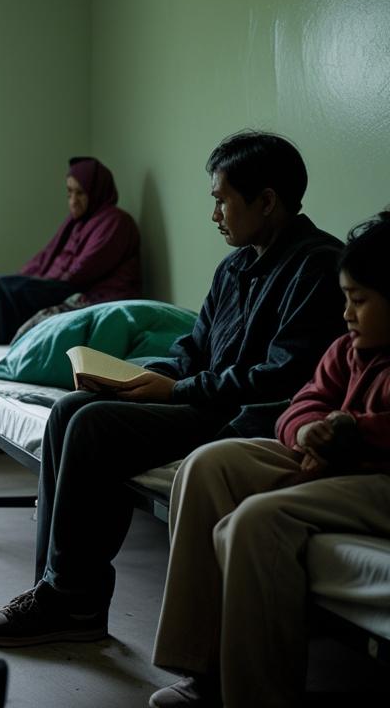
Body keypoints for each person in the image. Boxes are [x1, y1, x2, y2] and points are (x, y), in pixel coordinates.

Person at [0, 131, 346, 647]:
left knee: (95, 426)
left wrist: (178, 390)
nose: (215, 215)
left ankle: (69, 599)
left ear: (268, 201)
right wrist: (134, 375)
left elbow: (282, 377)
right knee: (71, 407)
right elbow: (195, 346)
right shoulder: (235, 266)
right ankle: (61, 595)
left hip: (240, 414)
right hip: (202, 397)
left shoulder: (317, 266)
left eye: (221, 200)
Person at [149, 210, 390, 708]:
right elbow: (303, 402)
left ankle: (255, 694)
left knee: (256, 521)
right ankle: (201, 666)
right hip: (328, 459)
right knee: (208, 465)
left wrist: (347, 434)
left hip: (377, 475)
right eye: (345, 298)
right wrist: (308, 432)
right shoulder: (348, 348)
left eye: (359, 301)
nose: (346, 312)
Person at [0, 157, 142, 343]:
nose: (73, 201)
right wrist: (22, 278)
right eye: (69, 193)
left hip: (87, 291)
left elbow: (87, 268)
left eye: (80, 193)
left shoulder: (115, 221)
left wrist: (38, 285)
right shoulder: (76, 223)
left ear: (96, 192)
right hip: (62, 285)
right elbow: (45, 257)